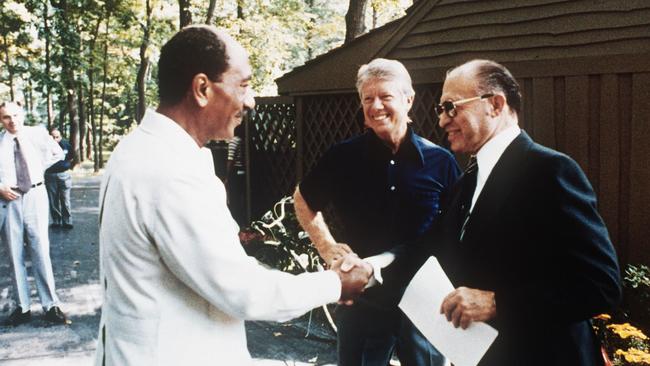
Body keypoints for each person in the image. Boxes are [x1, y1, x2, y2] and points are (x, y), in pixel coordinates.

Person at [94, 25, 371, 366]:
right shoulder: (169, 171)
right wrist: (335, 284)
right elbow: (243, 291)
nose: (251, 100)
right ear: (201, 89)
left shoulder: (138, 149)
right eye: (244, 85)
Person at [391, 59, 621, 365]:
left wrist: (498, 303)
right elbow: (427, 248)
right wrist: (367, 270)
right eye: (441, 110)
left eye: (451, 107)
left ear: (495, 105)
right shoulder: (466, 183)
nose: (443, 121)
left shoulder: (549, 170)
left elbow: (601, 285)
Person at [294, 58, 460, 366]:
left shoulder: (441, 161)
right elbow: (302, 199)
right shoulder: (342, 157)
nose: (376, 106)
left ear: (408, 100)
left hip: (423, 300)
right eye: (367, 99)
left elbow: (454, 230)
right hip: (363, 300)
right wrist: (327, 246)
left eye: (385, 96)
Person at [0, 101, 69, 326]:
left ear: (22, 114)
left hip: (36, 195)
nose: (12, 121)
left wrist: (39, 168)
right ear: (1, 120)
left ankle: (50, 305)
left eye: (15, 115)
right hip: (10, 201)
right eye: (6, 117)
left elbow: (58, 154)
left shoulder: (37, 134)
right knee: (14, 253)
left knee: (40, 250)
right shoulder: (0, 141)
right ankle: (23, 306)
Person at [45, 128, 74, 229]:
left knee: (65, 198)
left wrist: (65, 165)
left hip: (63, 175)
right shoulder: (45, 146)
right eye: (52, 137)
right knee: (53, 199)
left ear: (60, 137)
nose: (55, 139)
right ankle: (56, 220)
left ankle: (67, 221)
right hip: (50, 175)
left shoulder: (66, 145)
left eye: (57, 137)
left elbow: (71, 157)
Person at [225, 124, 246, 226]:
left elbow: (231, 160)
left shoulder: (234, 141)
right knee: (241, 197)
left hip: (235, 172)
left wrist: (227, 176)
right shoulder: (243, 140)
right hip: (243, 172)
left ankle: (235, 221)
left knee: (234, 198)